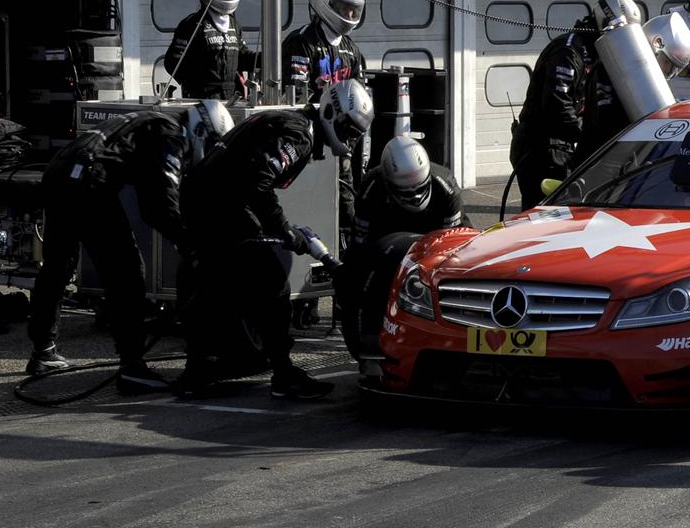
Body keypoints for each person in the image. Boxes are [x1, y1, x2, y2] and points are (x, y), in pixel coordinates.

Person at [175, 79, 373, 400]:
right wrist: (283, 230)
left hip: (203, 200)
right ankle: (282, 373)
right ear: (330, 112)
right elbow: (258, 180)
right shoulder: (299, 134)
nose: (349, 137)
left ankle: (202, 369)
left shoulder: (288, 119)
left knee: (215, 286)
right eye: (348, 129)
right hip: (221, 205)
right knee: (273, 282)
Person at [24, 101, 233, 388]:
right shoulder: (172, 134)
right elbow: (159, 206)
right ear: (201, 129)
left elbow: (152, 198)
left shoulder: (153, 119)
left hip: (60, 171)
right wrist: (191, 246)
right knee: (127, 273)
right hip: (89, 181)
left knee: (57, 268)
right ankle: (132, 366)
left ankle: (43, 351)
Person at [337, 134, 469, 357]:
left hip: (438, 235)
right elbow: (360, 250)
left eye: (419, 188)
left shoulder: (446, 187)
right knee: (353, 278)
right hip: (386, 237)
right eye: (407, 192)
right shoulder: (371, 188)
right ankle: (366, 342)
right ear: (389, 182)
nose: (416, 197)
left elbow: (455, 245)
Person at [508, 0, 634, 209]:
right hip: (540, 149)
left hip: (560, 148)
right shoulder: (569, 51)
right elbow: (557, 105)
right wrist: (587, 137)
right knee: (544, 217)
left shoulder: (596, 53)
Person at [284, 0, 369, 224]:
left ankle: (346, 251)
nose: (350, 16)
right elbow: (297, 95)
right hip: (311, 139)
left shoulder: (351, 48)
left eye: (354, 10)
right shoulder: (301, 42)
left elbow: (361, 95)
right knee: (309, 200)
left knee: (347, 200)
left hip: (344, 140)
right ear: (326, 0)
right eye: (344, 9)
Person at [163, 0, 256, 101]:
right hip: (200, 99)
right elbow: (172, 62)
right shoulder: (192, 24)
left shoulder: (234, 25)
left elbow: (242, 58)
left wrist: (267, 57)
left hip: (231, 99)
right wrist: (197, 82)